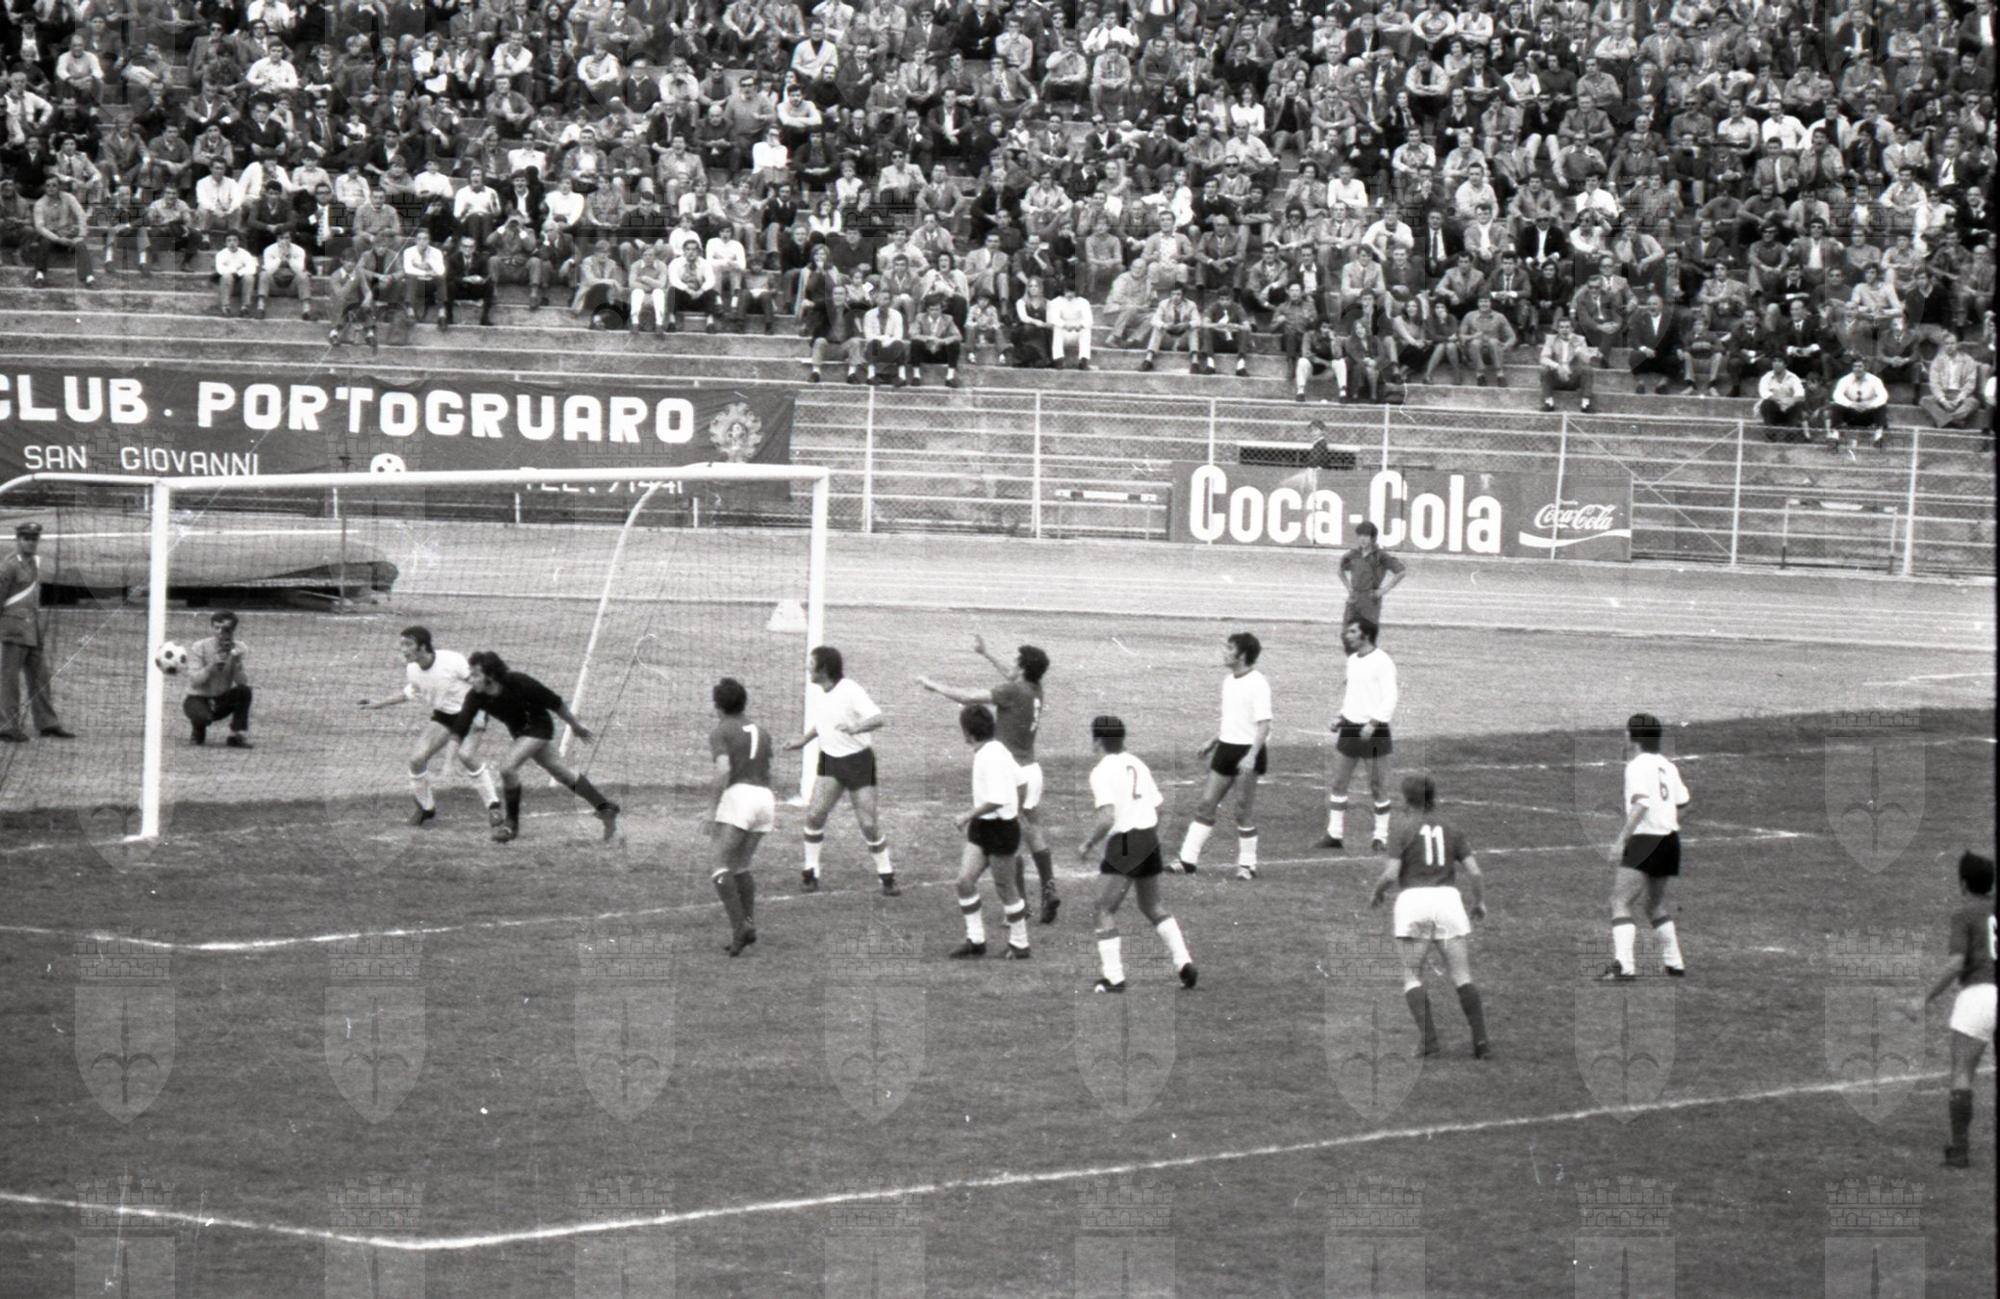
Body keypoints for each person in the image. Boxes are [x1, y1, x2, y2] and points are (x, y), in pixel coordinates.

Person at [919, 637, 1057, 923]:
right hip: (1032, 770)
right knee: (1033, 832)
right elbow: (1010, 674)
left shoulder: (1011, 691)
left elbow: (969, 697)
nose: (1012, 664)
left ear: (1022, 667)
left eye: (1016, 660)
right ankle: (1048, 888)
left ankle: (1020, 906)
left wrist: (935, 686)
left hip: (1012, 773)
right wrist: (986, 654)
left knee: (1010, 839)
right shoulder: (1035, 688)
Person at [1368, 773, 1489, 1058]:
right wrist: (1479, 902)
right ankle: (1481, 1042)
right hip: (1448, 901)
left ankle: (1430, 1041)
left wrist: (1376, 892)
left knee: (1412, 975)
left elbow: (1391, 874)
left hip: (1414, 902)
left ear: (1406, 799)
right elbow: (1475, 872)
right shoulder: (1451, 828)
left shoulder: (1401, 829)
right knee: (1462, 975)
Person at [1078, 714, 1196, 992]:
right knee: (1152, 905)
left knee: (1103, 909)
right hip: (1148, 838)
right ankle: (1184, 963)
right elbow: (1159, 807)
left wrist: (1088, 843)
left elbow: (1107, 817)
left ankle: (1114, 978)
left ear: (1097, 741)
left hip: (1125, 843)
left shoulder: (1100, 771)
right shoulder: (1138, 763)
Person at [464, 651, 620, 844]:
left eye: (476, 673)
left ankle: (511, 825)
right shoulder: (478, 694)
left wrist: (576, 726)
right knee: (562, 772)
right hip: (522, 732)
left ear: (491, 674)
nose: (470, 678)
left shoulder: (520, 682)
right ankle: (605, 807)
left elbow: (555, 702)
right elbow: (464, 719)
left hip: (539, 726)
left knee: (507, 768)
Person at [357, 626, 501, 826]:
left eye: (408, 644)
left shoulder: (452, 661)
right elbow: (409, 692)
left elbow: (481, 685)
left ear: (423, 647)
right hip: (444, 716)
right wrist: (376, 704)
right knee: (416, 759)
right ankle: (426, 808)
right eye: (401, 644)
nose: (403, 649)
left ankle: (494, 807)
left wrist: (482, 714)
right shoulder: (412, 669)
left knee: (467, 756)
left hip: (471, 713)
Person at [786, 645, 897, 895]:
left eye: (811, 664)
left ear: (824, 669)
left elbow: (878, 718)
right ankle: (811, 872)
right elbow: (824, 723)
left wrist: (856, 728)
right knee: (815, 815)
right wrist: (803, 740)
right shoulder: (821, 693)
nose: (807, 668)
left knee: (868, 824)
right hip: (831, 762)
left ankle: (887, 875)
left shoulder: (850, 689)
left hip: (859, 763)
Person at [1601, 711, 1690, 981]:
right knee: (1654, 904)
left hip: (1645, 840)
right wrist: (1666, 822)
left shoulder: (1636, 766)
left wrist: (1621, 840)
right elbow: (1683, 804)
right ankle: (1675, 964)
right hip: (1669, 840)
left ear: (1633, 737)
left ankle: (1624, 967)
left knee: (1620, 901)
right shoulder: (1668, 766)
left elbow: (1641, 804)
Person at [1176, 632, 1272, 880]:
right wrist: (1213, 740)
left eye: (1229, 648)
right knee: (1206, 804)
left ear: (1242, 655)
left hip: (1247, 752)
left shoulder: (1258, 683)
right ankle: (1187, 861)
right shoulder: (1229, 681)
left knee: (1241, 811)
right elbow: (1233, 719)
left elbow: (1264, 725)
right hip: (1225, 749)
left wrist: (1251, 756)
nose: (1224, 652)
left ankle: (1247, 865)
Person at [1923, 851, 1994, 1169]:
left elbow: (1955, 964)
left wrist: (1925, 998)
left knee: (1962, 1071)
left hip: (1978, 995)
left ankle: (1960, 1151)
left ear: (1963, 884)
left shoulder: (1964, 914)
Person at [948, 703, 1030, 960]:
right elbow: (1022, 782)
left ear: (968, 733)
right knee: (964, 881)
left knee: (1005, 887)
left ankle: (1020, 944)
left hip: (1000, 829)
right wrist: (1019, 809)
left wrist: (967, 815)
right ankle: (976, 940)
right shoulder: (996, 749)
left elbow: (997, 798)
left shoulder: (989, 756)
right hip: (983, 827)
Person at [704, 677, 773, 957]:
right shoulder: (762, 731)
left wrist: (712, 809)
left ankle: (739, 927)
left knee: (719, 866)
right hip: (765, 799)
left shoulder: (721, 731)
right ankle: (748, 924)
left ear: (718, 706)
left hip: (740, 798)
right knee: (741, 866)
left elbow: (723, 769)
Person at [1323, 615, 1399, 852]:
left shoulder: (1382, 661)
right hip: (1350, 728)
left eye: (1353, 632)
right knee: (1338, 782)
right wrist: (1341, 717)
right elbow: (1353, 695)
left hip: (1374, 731)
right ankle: (1334, 834)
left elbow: (1390, 697)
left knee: (1377, 785)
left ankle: (1381, 836)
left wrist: (1373, 723)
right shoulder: (1353, 660)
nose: (1348, 636)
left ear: (1366, 635)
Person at [0, 522, 72, 742]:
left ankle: (47, 723)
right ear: (18, 540)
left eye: (34, 539)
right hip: (14, 630)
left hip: (33, 630)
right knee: (9, 680)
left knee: (41, 677)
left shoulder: (35, 564)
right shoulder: (9, 566)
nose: (30, 543)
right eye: (26, 538)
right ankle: (7, 726)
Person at [180, 610, 255, 749]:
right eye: (216, 628)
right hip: (197, 698)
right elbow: (195, 681)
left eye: (225, 629)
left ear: (233, 629)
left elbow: (242, 682)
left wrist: (237, 662)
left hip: (220, 700)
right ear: (211, 627)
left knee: (244, 691)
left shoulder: (239, 648)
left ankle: (236, 735)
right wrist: (212, 665)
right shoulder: (199, 647)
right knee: (203, 717)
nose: (220, 632)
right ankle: (198, 729)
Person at [1338, 522, 1406, 629]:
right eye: (1360, 535)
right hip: (1354, 597)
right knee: (1347, 632)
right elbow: (1340, 570)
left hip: (1371, 598)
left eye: (1366, 536)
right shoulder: (1353, 554)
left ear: (1373, 538)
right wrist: (1349, 588)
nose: (1362, 539)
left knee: (1366, 634)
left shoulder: (1380, 556)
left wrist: (1383, 590)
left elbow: (1401, 571)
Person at [1827, 355, 1891, 451]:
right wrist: (1851, 404)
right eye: (1855, 366)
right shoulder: (1845, 380)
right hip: (1851, 414)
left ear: (1866, 367)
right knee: (1836, 406)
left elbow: (1884, 396)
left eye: (1860, 366)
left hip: (1868, 414)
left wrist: (1870, 405)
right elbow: (1836, 395)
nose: (1857, 369)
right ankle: (1834, 439)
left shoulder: (1875, 380)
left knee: (1882, 406)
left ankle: (1878, 438)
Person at [1537, 315, 1596, 411]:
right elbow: (1543, 358)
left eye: (1567, 327)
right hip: (1557, 377)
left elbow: (1587, 360)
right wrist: (1557, 366)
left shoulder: (1580, 339)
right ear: (1558, 329)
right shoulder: (1551, 339)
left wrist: (1577, 346)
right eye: (1561, 327)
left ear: (1572, 329)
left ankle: (1586, 404)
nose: (1564, 330)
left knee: (1587, 370)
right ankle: (1549, 403)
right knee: (1544, 369)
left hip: (1573, 378)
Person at [1756, 357, 1811, 438]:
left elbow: (1800, 393)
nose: (1776, 364)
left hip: (1789, 408)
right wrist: (1779, 401)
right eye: (1774, 361)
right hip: (1774, 409)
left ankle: (1790, 432)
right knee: (1766, 403)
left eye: (1780, 361)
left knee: (1798, 404)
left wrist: (1792, 401)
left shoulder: (1793, 377)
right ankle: (1770, 432)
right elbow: (1763, 392)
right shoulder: (1766, 377)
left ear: (1785, 364)